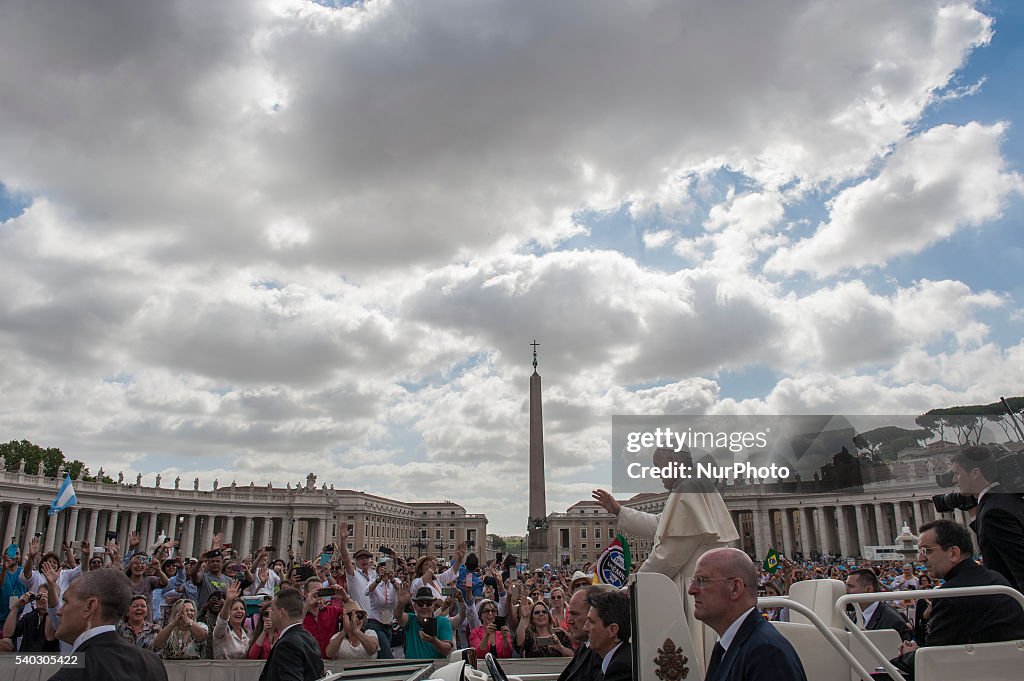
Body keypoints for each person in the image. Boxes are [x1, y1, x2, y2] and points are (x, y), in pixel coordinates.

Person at [593, 446, 739, 669]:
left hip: (695, 594)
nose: (658, 474)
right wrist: (619, 511)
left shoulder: (689, 488)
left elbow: (668, 555)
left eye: (659, 468)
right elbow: (662, 525)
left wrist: (634, 585)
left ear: (673, 461)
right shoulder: (691, 486)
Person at [893, 519, 1024, 677]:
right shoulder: (994, 578)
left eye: (927, 551)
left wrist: (909, 654)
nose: (921, 559)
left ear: (953, 553)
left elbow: (933, 658)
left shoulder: (952, 594)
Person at [688, 548, 807, 681]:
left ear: (735, 588)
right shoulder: (734, 645)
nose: (691, 590)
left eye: (702, 581)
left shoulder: (765, 655)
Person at [48, 568, 168, 681]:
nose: (59, 611)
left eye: (66, 602)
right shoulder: (153, 663)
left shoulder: (71, 676)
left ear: (89, 606)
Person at [952, 445, 1024, 592]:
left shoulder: (994, 512)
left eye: (957, 473)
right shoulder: (1006, 498)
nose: (954, 479)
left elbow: (1020, 567)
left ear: (975, 473)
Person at [259, 587, 325, 681]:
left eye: (273, 609)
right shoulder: (310, 638)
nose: (270, 613)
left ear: (282, 612)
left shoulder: (287, 645)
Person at [844, 568, 912, 640]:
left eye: (851, 586)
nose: (846, 590)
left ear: (868, 589)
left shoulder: (892, 621)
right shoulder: (854, 615)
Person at [557, 586, 605, 681]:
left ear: (592, 614)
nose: (569, 621)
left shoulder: (602, 654)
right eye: (569, 614)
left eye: (575, 614)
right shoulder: (583, 648)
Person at [583, 589, 632, 681]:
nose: (585, 628)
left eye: (591, 622)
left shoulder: (621, 668)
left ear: (613, 630)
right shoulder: (604, 659)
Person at [394, 585, 454, 659]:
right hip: (413, 667)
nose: (424, 607)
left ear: (433, 605)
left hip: (436, 667)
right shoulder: (411, 620)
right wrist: (401, 604)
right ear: (415, 606)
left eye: (428, 603)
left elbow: (447, 650)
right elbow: (398, 616)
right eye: (420, 603)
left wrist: (433, 641)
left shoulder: (443, 622)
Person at [213, 581, 251, 659]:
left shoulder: (247, 633)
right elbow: (222, 620)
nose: (239, 611)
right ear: (229, 612)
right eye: (235, 609)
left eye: (242, 609)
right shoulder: (222, 631)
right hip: (223, 670)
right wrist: (228, 602)